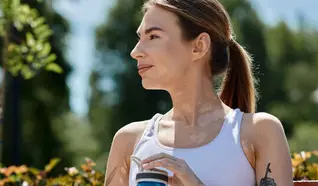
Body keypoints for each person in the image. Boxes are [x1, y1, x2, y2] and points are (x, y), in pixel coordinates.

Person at [104, 0, 293, 185]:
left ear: (199, 46)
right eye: (140, 38)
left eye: (153, 36)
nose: (135, 52)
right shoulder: (128, 140)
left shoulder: (260, 132)